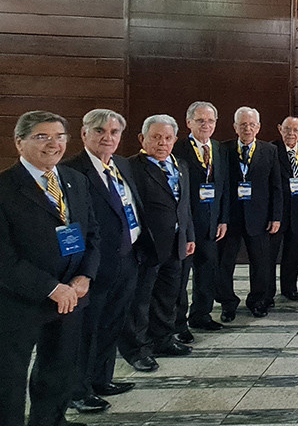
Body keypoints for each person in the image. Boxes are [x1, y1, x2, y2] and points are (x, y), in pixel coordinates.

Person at [0, 111, 99, 426]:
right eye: (42, 137)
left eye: (59, 137)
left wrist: (85, 276)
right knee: (9, 379)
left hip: (71, 296)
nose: (53, 144)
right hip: (20, 301)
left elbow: (92, 234)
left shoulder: (75, 180)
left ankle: (50, 421)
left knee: (59, 369)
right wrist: (52, 288)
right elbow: (4, 258)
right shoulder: (4, 188)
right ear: (20, 142)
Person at [63, 109, 141, 413]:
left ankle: (101, 379)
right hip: (93, 266)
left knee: (112, 323)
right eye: (99, 131)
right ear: (84, 134)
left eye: (114, 132)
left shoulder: (121, 164)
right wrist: (80, 270)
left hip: (126, 258)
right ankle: (78, 390)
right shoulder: (72, 171)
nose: (107, 138)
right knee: (87, 330)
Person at [121, 115, 195, 373]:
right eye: (156, 137)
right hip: (147, 246)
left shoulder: (180, 165)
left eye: (167, 138)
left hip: (176, 243)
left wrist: (189, 235)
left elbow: (184, 205)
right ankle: (138, 349)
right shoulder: (131, 167)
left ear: (175, 140)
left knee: (168, 295)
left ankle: (163, 339)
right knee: (140, 300)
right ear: (142, 138)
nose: (162, 143)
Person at [218, 107, 282, 320]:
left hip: (259, 217)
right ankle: (228, 303)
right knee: (224, 264)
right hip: (230, 217)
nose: (247, 128)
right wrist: (221, 217)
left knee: (260, 263)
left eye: (252, 124)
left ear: (259, 127)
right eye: (243, 124)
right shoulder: (224, 149)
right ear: (235, 127)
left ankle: (258, 301)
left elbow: (276, 186)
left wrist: (276, 216)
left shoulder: (270, 150)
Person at [172, 101, 229, 339]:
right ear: (188, 122)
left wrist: (223, 219)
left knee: (207, 271)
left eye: (210, 121)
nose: (206, 125)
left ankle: (201, 315)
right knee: (181, 276)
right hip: (187, 224)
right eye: (200, 120)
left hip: (211, 223)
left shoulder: (218, 148)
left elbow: (224, 186)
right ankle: (178, 324)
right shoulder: (178, 149)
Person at [274, 116, 298, 301]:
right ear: (280, 129)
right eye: (287, 129)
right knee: (270, 255)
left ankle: (289, 288)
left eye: (296, 130)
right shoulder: (271, 150)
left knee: (294, 253)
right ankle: (266, 294)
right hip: (276, 213)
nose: (291, 133)